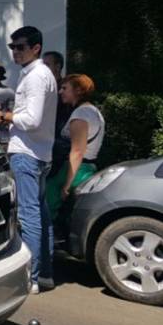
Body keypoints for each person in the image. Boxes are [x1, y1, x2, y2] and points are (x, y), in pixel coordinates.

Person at [0, 26, 57, 294]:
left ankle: (32, 278)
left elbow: (32, 120)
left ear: (35, 48)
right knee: (40, 213)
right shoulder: (40, 74)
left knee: (29, 216)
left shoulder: (37, 76)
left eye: (20, 47)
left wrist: (3, 117)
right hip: (38, 153)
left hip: (28, 153)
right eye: (12, 47)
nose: (15, 52)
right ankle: (45, 275)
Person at [46, 74, 105, 220]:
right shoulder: (93, 111)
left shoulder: (81, 113)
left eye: (65, 88)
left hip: (74, 170)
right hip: (87, 169)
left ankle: (45, 241)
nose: (60, 92)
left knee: (47, 209)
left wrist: (67, 185)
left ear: (78, 90)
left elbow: (77, 151)